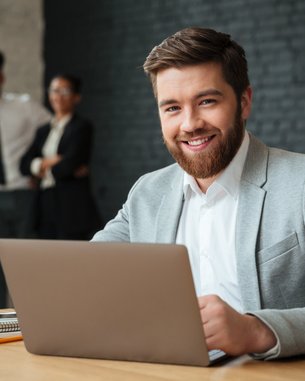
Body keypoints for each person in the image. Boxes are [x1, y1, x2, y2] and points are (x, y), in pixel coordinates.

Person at [92, 27, 305, 360]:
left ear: (244, 102)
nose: (190, 124)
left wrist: (255, 331)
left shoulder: (300, 183)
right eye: (172, 108)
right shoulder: (147, 192)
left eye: (207, 101)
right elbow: (86, 270)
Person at [20, 73, 102, 240]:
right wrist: (49, 163)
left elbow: (67, 166)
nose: (58, 96)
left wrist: (40, 170)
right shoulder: (43, 130)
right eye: (54, 90)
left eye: (65, 91)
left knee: (71, 259)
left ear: (76, 97)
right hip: (45, 204)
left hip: (71, 207)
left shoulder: (82, 127)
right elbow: (23, 165)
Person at [0, 51, 51, 307]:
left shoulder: (24, 106)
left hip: (22, 193)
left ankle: (32, 317)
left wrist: (40, 166)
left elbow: (56, 130)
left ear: (2, 77)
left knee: (25, 262)